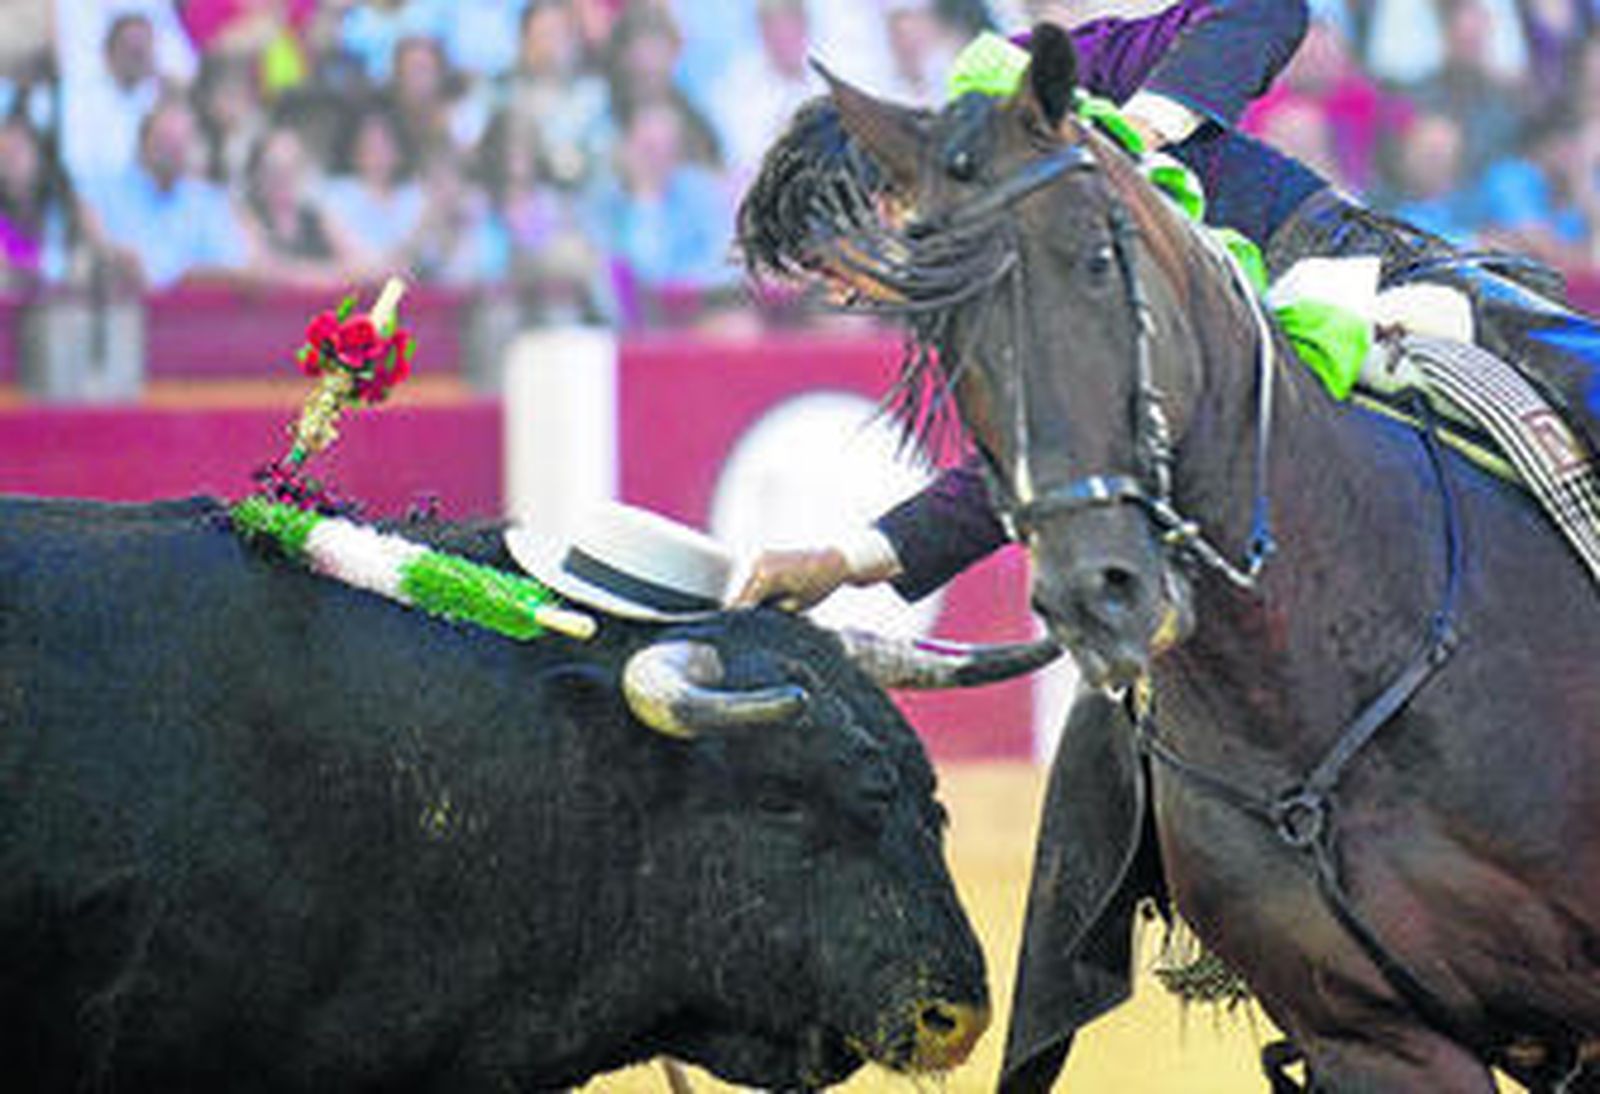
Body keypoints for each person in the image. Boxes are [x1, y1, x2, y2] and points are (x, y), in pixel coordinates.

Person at [734, 0, 1600, 611]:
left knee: (1572, 372)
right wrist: (847, 560)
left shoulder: (1035, 93)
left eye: (830, 265)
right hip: (1224, 479)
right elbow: (1034, 463)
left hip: (1353, 278)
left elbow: (1263, 8)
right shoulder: (982, 303)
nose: (841, 295)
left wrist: (1138, 132)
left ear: (888, 194)